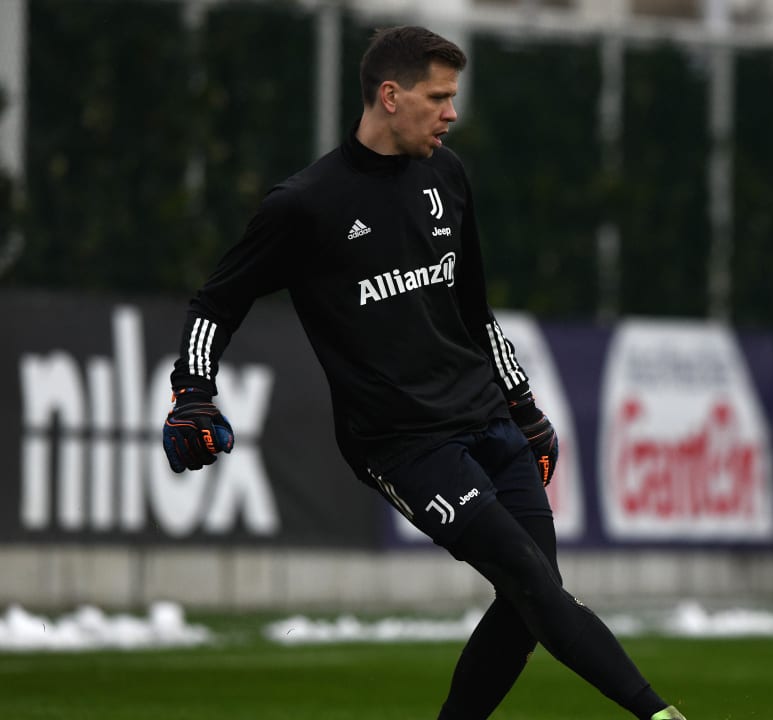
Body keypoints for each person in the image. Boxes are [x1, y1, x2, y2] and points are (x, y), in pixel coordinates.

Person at [160, 25, 687, 720]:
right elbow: (217, 301)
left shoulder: (448, 176)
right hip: (404, 444)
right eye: (438, 97)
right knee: (531, 581)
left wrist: (523, 408)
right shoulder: (305, 206)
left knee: (534, 595)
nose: (451, 113)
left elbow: (475, 310)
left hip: (489, 422)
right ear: (389, 95)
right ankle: (660, 715)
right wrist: (192, 393)